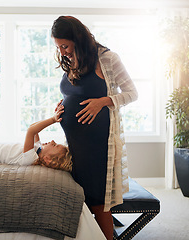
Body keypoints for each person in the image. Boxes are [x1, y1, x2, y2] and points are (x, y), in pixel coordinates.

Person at [51, 16, 138, 239]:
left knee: (98, 203)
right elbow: (72, 93)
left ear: (77, 39)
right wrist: (61, 106)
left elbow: (132, 93)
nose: (62, 52)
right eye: (58, 47)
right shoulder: (71, 59)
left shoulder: (107, 58)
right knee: (83, 200)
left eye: (65, 46)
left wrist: (103, 101)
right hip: (75, 145)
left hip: (98, 145)